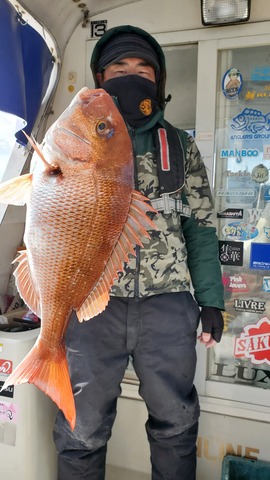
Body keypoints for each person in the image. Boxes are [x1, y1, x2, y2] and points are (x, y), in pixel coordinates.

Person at [53, 24, 225, 480]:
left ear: (158, 81)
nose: (131, 76)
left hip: (168, 307)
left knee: (176, 423)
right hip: (93, 309)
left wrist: (211, 300)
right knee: (81, 428)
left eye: (142, 68)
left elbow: (202, 228)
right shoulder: (73, 141)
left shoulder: (181, 147)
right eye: (118, 68)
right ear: (99, 79)